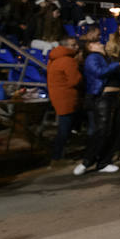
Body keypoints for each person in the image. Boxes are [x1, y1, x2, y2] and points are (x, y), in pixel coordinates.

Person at [77, 27, 120, 175]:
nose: (100, 43)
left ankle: (104, 162)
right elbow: (99, 73)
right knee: (103, 131)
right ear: (90, 47)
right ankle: (87, 161)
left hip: (116, 97)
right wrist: (117, 65)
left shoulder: (107, 58)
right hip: (104, 98)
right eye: (96, 43)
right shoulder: (92, 58)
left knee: (114, 131)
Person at [46, 36, 83, 166]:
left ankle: (58, 156)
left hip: (58, 96)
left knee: (64, 128)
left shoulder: (53, 59)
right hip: (67, 97)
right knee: (64, 129)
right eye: (73, 45)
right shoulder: (68, 61)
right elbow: (75, 80)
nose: (76, 47)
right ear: (65, 47)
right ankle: (57, 157)